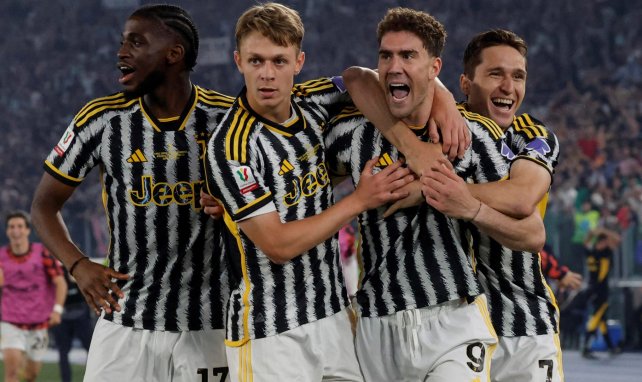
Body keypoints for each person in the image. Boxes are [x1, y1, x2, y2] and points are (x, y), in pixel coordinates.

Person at [333, 8, 550, 381]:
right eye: (387, 56)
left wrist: (467, 204)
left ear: (435, 69)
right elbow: (352, 78)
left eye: (408, 56)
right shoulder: (352, 133)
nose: (395, 65)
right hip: (375, 324)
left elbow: (533, 232)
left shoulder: (472, 136)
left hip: (453, 319)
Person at [203, 3, 415, 381]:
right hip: (271, 333)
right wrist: (360, 199)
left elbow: (362, 78)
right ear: (238, 61)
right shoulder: (230, 147)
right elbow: (278, 245)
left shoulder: (314, 101)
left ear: (299, 62)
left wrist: (446, 105)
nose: (267, 74)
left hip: (333, 317)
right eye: (256, 61)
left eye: (279, 61)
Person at [30, 4, 232, 381]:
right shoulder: (101, 119)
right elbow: (43, 206)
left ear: (175, 54)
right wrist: (78, 265)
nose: (122, 53)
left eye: (136, 42)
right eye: (123, 42)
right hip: (127, 320)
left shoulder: (228, 117)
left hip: (210, 322)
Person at [422, 29, 565, 382]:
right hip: (453, 325)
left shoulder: (531, 134)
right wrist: (439, 94)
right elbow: (369, 80)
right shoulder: (441, 122)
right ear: (465, 83)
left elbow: (521, 197)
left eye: (518, 76)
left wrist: (457, 194)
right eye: (495, 74)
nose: (508, 86)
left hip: (524, 322)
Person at [0, 210, 67, 382]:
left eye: (20, 226)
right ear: (7, 231)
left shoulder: (43, 253)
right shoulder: (1, 257)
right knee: (12, 372)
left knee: (31, 375)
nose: (16, 231)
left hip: (39, 322)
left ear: (28, 230)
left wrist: (57, 310)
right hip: (11, 321)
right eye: (12, 227)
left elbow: (60, 283)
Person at [582, 227, 621, 359]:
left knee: (602, 319)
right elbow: (617, 240)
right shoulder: (604, 253)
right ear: (600, 243)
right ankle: (586, 347)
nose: (606, 244)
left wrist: (595, 232)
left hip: (593, 288)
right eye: (604, 242)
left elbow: (586, 242)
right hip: (600, 290)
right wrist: (603, 231)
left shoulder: (591, 252)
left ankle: (611, 347)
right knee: (596, 317)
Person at [52, 268, 94, 382]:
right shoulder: (54, 271)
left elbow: (90, 291)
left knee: (91, 349)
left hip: (80, 314)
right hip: (62, 315)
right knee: (63, 352)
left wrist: (79, 280)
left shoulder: (77, 271)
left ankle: (94, 377)